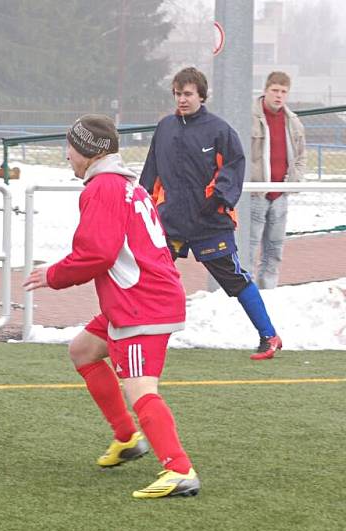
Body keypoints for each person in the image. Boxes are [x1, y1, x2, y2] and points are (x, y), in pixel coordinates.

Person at [23, 114, 199, 499]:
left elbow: (96, 254)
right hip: (140, 298)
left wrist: (53, 275)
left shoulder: (102, 188)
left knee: (140, 388)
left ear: (87, 151)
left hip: (141, 305)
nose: (66, 154)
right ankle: (127, 438)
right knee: (83, 349)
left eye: (70, 146)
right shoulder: (124, 185)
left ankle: (180, 469)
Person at [140, 66, 282, 360]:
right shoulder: (164, 127)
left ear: (201, 96)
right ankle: (141, 336)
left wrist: (218, 197)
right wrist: (143, 206)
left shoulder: (219, 130)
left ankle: (269, 337)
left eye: (188, 94)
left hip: (210, 224)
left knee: (236, 279)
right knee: (151, 278)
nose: (182, 99)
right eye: (178, 94)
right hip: (172, 223)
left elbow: (235, 165)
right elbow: (151, 171)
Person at [250, 71, 306, 289]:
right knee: (249, 247)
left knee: (275, 249)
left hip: (280, 193)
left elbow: (301, 155)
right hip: (255, 193)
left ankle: (269, 291)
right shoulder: (249, 117)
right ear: (265, 90)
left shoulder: (292, 121)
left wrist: (295, 180)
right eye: (275, 90)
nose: (279, 96)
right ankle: (246, 294)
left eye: (283, 91)